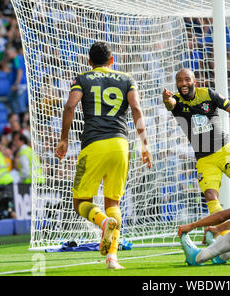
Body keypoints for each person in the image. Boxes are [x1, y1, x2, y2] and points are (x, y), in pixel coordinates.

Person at [55, 41, 152, 270]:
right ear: (112, 60)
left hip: (93, 145)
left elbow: (70, 107)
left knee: (80, 202)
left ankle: (103, 222)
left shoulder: (83, 78)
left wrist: (64, 138)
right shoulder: (127, 79)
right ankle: (112, 258)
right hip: (120, 145)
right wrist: (144, 144)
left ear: (89, 62)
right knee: (113, 202)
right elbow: (136, 109)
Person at [162, 68, 230, 226]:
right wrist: (166, 99)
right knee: (210, 195)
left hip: (225, 151)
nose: (183, 83)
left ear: (194, 82)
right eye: (180, 80)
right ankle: (222, 232)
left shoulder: (208, 94)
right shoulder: (176, 101)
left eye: (187, 79)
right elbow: (170, 104)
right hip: (204, 158)